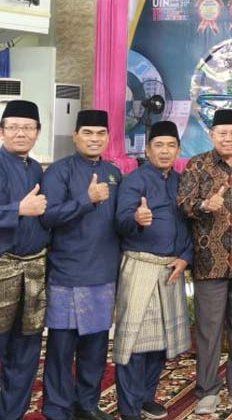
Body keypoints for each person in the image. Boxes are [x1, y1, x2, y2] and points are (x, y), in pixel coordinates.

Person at [176, 109, 232, 415]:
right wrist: (204, 204)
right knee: (209, 332)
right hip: (210, 263)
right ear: (211, 135)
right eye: (222, 133)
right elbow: (183, 204)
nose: (228, 138)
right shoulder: (197, 165)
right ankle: (207, 389)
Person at [41, 110, 122, 420]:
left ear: (108, 137)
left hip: (103, 273)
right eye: (87, 132)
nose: (94, 139)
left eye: (100, 133)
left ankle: (87, 405)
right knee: (61, 349)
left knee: (96, 347)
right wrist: (86, 200)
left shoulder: (114, 173)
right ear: (75, 136)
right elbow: (48, 217)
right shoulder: (58, 172)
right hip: (68, 273)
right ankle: (57, 408)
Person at [113, 121, 192, 420]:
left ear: (178, 150)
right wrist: (137, 218)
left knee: (160, 341)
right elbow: (120, 221)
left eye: (171, 145)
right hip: (141, 265)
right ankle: (129, 407)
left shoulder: (182, 182)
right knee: (134, 341)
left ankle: (147, 397)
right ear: (148, 150)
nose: (165, 151)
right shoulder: (134, 181)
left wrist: (186, 257)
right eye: (159, 145)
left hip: (171, 268)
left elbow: (192, 225)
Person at [0, 100, 49, 419]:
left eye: (28, 127)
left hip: (33, 270)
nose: (21, 133)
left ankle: (12, 414)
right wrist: (17, 209)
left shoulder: (35, 168)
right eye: (14, 127)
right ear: (1, 131)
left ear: (38, 132)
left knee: (27, 348)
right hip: (3, 269)